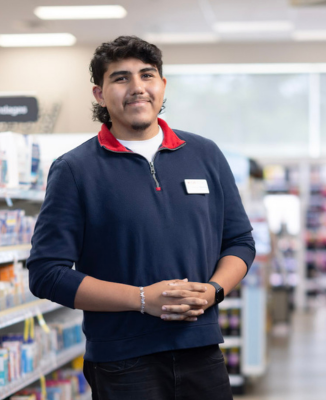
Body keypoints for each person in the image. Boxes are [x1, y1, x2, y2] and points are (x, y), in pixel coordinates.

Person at [28, 36, 255, 400]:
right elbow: (47, 274)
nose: (137, 88)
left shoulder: (205, 155)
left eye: (147, 75)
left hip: (202, 350)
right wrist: (141, 299)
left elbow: (239, 242)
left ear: (162, 86)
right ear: (99, 94)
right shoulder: (75, 169)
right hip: (122, 360)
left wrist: (214, 291)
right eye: (120, 78)